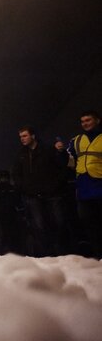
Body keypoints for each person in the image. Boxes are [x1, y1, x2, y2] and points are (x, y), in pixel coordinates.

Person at [13, 126, 67, 256]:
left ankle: (62, 253)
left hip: (51, 194)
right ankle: (46, 255)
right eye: (20, 137)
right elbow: (16, 174)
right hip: (32, 196)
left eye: (25, 136)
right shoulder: (21, 154)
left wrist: (61, 152)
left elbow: (61, 166)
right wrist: (24, 188)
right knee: (39, 226)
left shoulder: (48, 150)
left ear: (33, 136)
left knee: (59, 223)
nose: (22, 139)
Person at [69, 110, 102, 258]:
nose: (85, 124)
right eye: (83, 121)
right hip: (83, 187)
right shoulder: (76, 140)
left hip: (99, 184)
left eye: (88, 120)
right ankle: (98, 254)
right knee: (89, 223)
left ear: (97, 121)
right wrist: (59, 151)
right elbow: (69, 161)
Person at [0, 170, 25, 254]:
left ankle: (14, 252)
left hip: (12, 215)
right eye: (2, 178)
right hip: (2, 216)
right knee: (4, 235)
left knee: (13, 235)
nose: (4, 180)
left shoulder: (13, 189)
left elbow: (18, 201)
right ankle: (6, 252)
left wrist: (21, 212)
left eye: (5, 178)